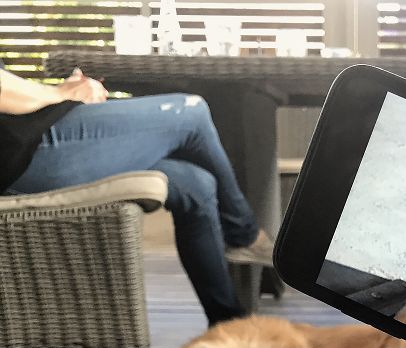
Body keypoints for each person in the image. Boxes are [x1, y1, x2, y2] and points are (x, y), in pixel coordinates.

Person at [0, 66, 274, 326]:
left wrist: (57, 93)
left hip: (29, 139)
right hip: (24, 157)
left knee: (195, 185)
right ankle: (244, 235)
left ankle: (230, 327)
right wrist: (60, 92)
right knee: (191, 112)